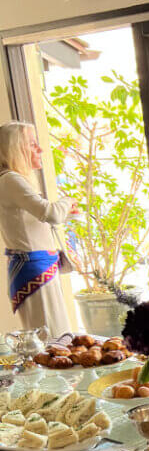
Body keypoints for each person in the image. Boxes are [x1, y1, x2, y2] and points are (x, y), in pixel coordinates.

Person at [0, 122, 78, 337]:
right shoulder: (11, 179)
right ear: (17, 148)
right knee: (52, 337)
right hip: (35, 270)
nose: (40, 150)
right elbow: (50, 213)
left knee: (53, 334)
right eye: (33, 144)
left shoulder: (10, 180)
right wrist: (67, 201)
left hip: (37, 267)